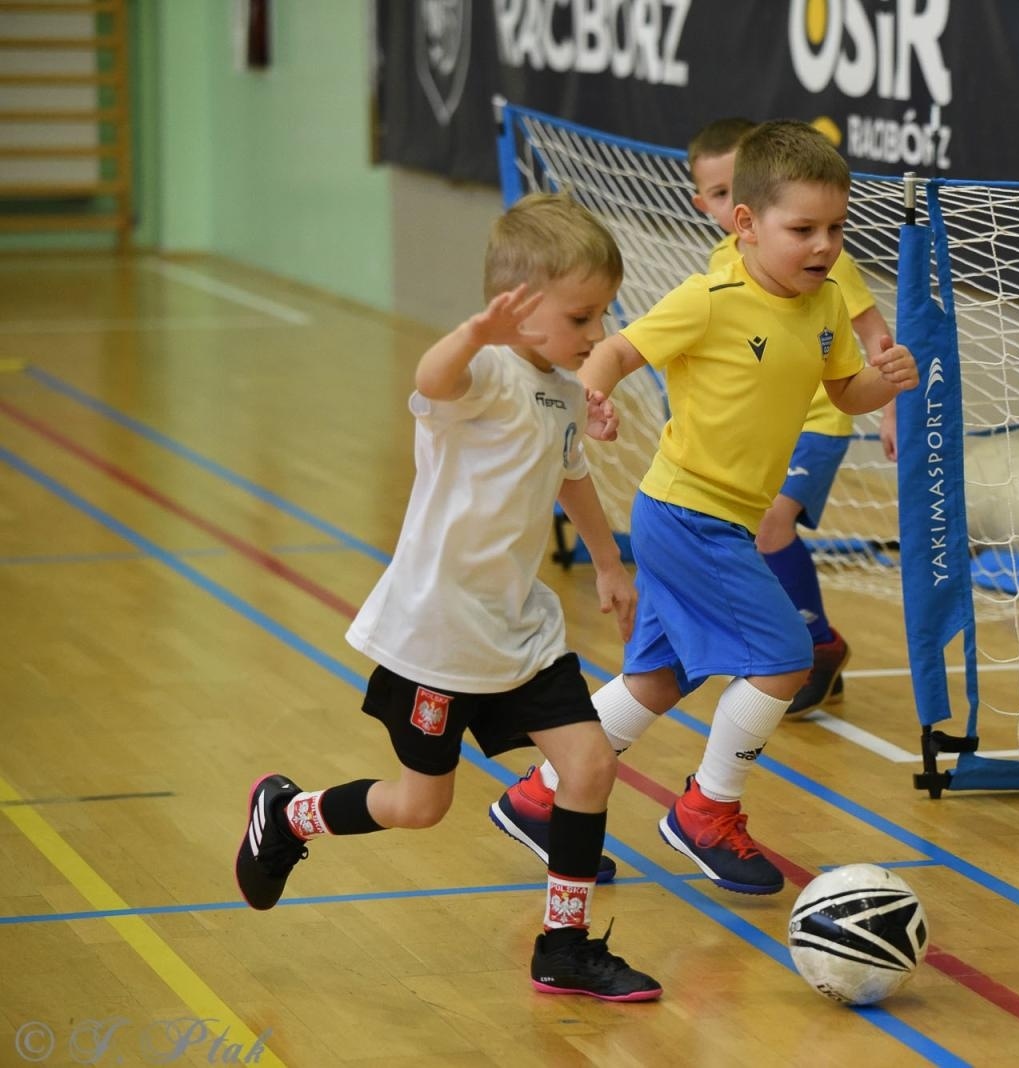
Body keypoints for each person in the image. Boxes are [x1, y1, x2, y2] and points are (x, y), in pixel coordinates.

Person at [234, 193, 661, 1002]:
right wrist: (475, 333)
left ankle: (562, 945)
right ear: (519, 313)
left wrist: (609, 561)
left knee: (591, 763)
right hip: (439, 634)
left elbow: (571, 475)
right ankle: (291, 816)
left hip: (520, 627)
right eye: (581, 318)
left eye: (604, 314)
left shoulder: (564, 391)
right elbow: (432, 376)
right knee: (419, 805)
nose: (597, 335)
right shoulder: (481, 375)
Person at [493, 121, 919, 895]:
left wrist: (884, 381)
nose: (824, 245)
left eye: (836, 228)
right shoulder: (710, 299)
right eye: (803, 229)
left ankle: (541, 797)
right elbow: (620, 349)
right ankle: (705, 812)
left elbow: (844, 391)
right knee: (787, 657)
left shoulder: (824, 306)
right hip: (690, 515)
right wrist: (593, 390)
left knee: (659, 678)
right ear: (746, 225)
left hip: (705, 520)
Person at [685, 117, 900, 716]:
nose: (733, 206)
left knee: (771, 527)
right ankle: (805, 647)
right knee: (751, 533)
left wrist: (890, 410)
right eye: (720, 194)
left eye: (739, 188)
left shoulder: (821, 261)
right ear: (705, 203)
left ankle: (817, 643)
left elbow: (872, 330)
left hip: (821, 418)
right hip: (766, 428)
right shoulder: (720, 264)